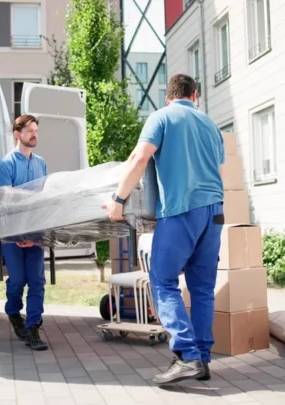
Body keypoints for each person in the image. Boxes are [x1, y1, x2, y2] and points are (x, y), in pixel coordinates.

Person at [103, 74, 225, 385]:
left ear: (168, 97)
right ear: (195, 95)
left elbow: (139, 157)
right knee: (201, 290)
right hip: (214, 213)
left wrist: (118, 200)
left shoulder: (162, 117)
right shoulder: (211, 125)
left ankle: (186, 355)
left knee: (162, 280)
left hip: (181, 209)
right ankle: (203, 358)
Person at [0, 114, 49, 351]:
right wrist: (20, 236)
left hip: (35, 232)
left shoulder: (41, 163)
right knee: (17, 280)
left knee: (36, 281)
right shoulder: (5, 164)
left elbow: (44, 199)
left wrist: (35, 234)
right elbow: (7, 202)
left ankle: (34, 326)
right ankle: (14, 313)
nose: (34, 135)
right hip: (12, 233)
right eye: (29, 131)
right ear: (17, 134)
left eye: (36, 131)